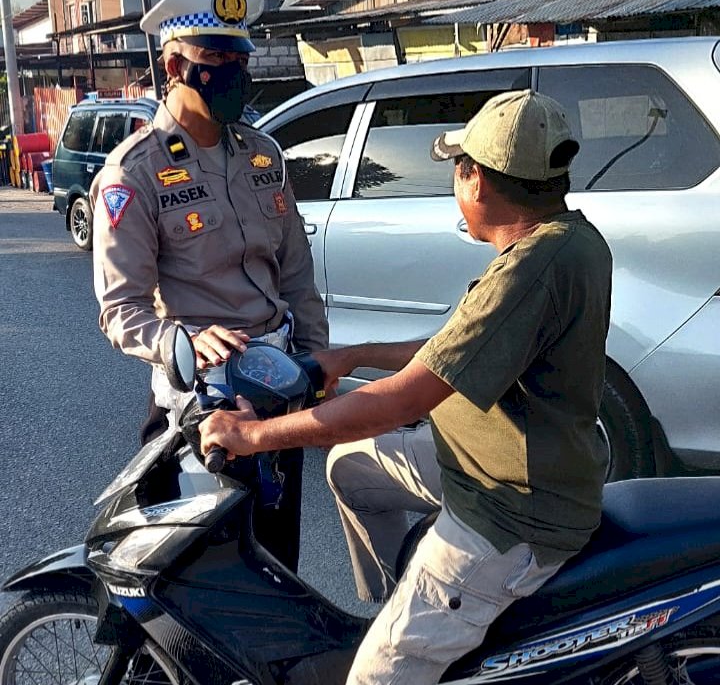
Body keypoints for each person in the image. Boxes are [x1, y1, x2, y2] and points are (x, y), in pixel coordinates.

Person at [199, 89, 613, 684]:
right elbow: (449, 353)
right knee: (352, 469)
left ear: (476, 181)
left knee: (373, 679)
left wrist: (253, 434)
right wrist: (352, 356)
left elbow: (401, 402)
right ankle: (408, 609)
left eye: (456, 168)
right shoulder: (566, 239)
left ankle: (425, 635)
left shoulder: (528, 272)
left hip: (509, 511)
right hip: (487, 462)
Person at [90, 0, 328, 573]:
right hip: (200, 404)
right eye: (216, 58)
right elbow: (122, 310)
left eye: (238, 56)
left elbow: (295, 272)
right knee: (195, 576)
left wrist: (316, 360)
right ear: (175, 68)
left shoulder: (260, 152)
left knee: (276, 557)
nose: (235, 73)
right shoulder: (133, 174)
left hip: (278, 386)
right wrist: (184, 343)